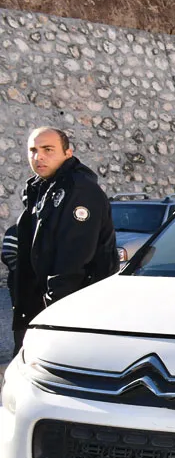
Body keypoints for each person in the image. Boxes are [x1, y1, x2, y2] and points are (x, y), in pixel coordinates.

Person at [12, 128, 116, 349]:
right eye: (33, 150)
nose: (38, 156)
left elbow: (72, 263)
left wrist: (53, 319)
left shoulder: (79, 190)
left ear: (68, 153)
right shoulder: (40, 188)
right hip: (39, 310)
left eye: (48, 149)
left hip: (71, 316)